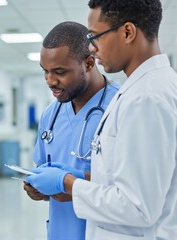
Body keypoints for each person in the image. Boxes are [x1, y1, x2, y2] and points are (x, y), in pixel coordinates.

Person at [26, 0, 177, 239]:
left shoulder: (145, 99)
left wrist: (68, 182)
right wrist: (67, 180)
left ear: (127, 32)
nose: (93, 48)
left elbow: (137, 205)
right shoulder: (140, 91)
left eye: (96, 36)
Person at [22, 21, 119, 240]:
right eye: (45, 71)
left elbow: (130, 188)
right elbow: (47, 175)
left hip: (105, 232)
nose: (50, 81)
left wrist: (68, 182)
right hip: (60, 231)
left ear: (89, 63)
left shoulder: (120, 106)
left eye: (60, 72)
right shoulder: (50, 115)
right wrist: (40, 189)